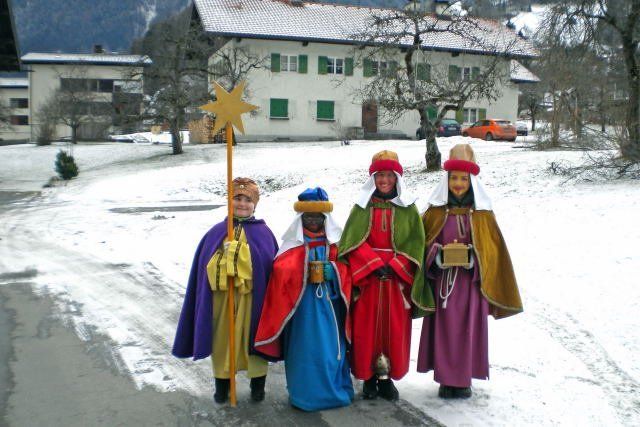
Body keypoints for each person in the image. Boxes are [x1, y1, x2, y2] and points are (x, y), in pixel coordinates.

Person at [417, 144, 523, 399]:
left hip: (471, 286)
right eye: (454, 178)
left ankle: (463, 380)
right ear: (447, 180)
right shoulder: (435, 212)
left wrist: (475, 260)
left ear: (471, 181)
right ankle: (446, 380)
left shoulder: (482, 215)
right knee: (445, 331)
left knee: (468, 331)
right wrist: (436, 257)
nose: (458, 184)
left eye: (463, 179)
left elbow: (492, 251)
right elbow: (422, 244)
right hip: (443, 286)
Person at [172, 177, 278, 403]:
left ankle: (258, 386)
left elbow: (267, 268)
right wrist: (223, 259)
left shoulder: (264, 233)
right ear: (229, 201)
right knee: (222, 340)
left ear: (255, 205)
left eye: (248, 200)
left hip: (253, 299)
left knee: (254, 339)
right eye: (237, 198)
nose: (242, 204)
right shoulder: (216, 232)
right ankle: (222, 385)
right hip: (221, 298)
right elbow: (205, 269)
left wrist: (240, 256)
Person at [338, 150, 431, 401]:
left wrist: (396, 265)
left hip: (396, 283)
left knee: (394, 330)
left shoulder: (408, 209)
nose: (385, 180)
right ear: (373, 178)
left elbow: (416, 243)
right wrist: (373, 263)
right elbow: (350, 243)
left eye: (390, 175)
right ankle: (368, 378)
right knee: (366, 329)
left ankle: (386, 378)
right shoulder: (361, 208)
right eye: (380, 175)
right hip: (368, 281)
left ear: (397, 178)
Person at [255, 187, 354, 411]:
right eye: (308, 217)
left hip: (329, 307)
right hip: (301, 311)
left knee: (331, 351)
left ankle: (334, 392)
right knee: (304, 352)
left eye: (318, 217)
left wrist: (334, 271)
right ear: (301, 218)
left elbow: (349, 270)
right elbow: (280, 271)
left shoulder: (335, 244)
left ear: (325, 218)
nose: (313, 221)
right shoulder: (293, 244)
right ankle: (304, 395)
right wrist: (299, 271)